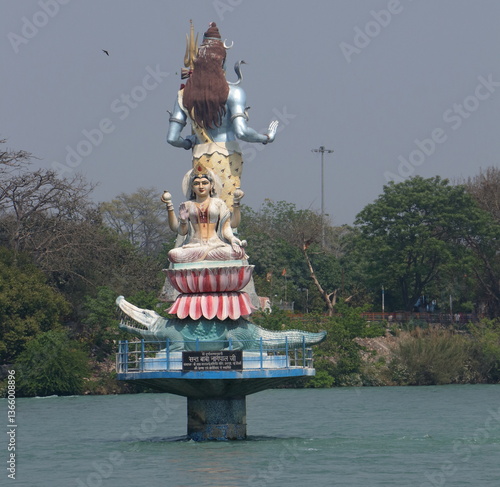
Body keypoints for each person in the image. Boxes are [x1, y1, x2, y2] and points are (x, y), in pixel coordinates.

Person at [166, 21, 278, 211]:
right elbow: (241, 132)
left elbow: (171, 138)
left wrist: (189, 142)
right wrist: (266, 138)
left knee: (203, 210)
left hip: (200, 158)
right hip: (227, 157)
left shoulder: (184, 95)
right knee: (225, 210)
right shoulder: (233, 93)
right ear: (222, 62)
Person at [163, 166, 247, 264]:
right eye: (196, 184)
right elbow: (181, 232)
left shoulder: (218, 203)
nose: (201, 186)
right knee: (174, 254)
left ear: (211, 185)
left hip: (215, 244)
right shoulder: (188, 205)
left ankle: (203, 257)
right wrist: (182, 219)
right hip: (194, 246)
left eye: (205, 183)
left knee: (238, 252)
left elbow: (227, 227)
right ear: (192, 187)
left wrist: (232, 238)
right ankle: (203, 257)